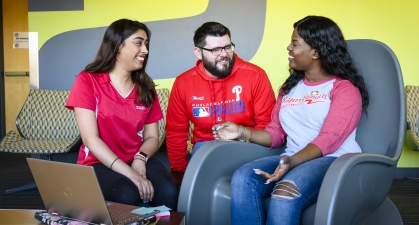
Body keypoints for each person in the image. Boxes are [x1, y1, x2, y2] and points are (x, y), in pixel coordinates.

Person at [213, 16, 369, 224]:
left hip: (335, 161)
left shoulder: (344, 89)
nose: (288, 48)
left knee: (285, 192)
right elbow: (276, 134)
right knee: (242, 178)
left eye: (295, 44)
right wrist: (242, 132)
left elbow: (329, 139)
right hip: (292, 158)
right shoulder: (289, 88)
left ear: (316, 52)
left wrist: (291, 162)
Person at [65, 19, 179, 210]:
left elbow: (152, 137)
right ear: (117, 45)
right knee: (127, 193)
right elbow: (91, 140)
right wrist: (130, 174)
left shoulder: (146, 89)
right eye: (138, 42)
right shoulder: (87, 81)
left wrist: (140, 158)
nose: (145, 50)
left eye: (146, 44)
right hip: (97, 162)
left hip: (136, 157)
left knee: (169, 191)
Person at [165, 21, 276, 175]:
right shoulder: (183, 83)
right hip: (206, 146)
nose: (224, 54)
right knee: (203, 184)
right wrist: (180, 172)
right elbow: (176, 131)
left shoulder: (255, 75)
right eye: (216, 49)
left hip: (247, 143)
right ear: (198, 52)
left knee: (240, 178)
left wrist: (242, 136)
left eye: (227, 47)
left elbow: (267, 126)